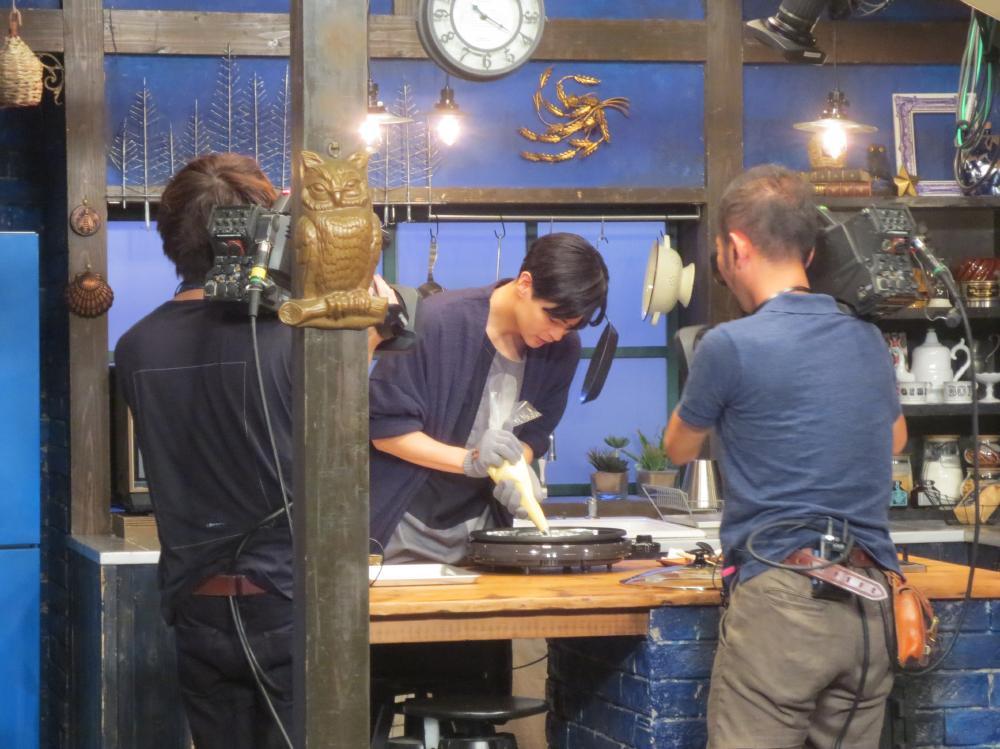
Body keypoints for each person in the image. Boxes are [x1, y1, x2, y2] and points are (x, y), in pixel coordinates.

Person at [115, 153, 394, 749]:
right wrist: (363, 338)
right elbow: (335, 447)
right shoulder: (296, 339)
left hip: (195, 607)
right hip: (288, 604)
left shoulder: (136, 345)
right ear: (264, 232)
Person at [663, 164, 908, 749]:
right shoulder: (867, 339)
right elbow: (895, 440)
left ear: (736, 247)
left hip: (784, 600)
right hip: (870, 604)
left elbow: (678, 446)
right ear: (808, 250)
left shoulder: (728, 344)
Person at [368, 232, 610, 563]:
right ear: (525, 284)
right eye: (552, 319)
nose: (557, 334)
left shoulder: (561, 351)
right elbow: (385, 431)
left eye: (570, 327)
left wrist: (516, 468)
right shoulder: (438, 321)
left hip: (485, 537)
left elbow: (534, 432)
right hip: (400, 528)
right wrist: (470, 461)